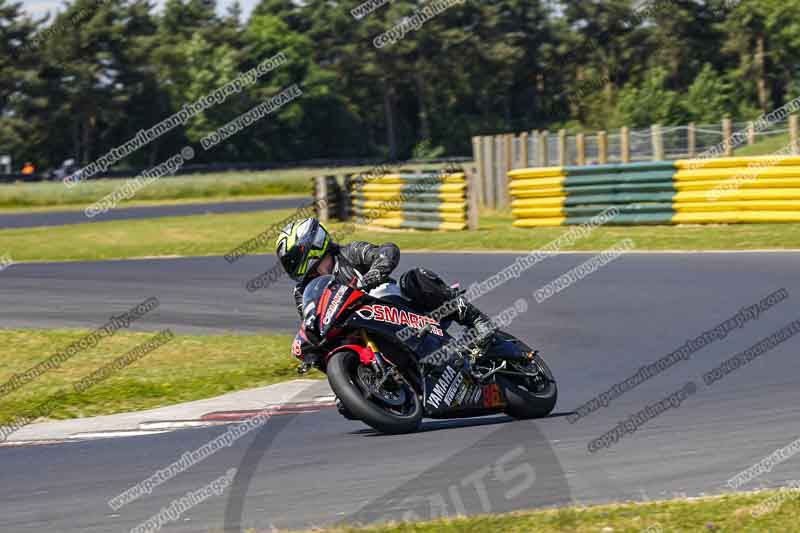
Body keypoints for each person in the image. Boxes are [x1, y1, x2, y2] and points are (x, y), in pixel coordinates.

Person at [275, 217, 496, 371]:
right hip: (355, 330)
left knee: (415, 278)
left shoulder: (349, 253)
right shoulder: (302, 291)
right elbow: (311, 323)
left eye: (294, 259)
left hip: (392, 305)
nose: (292, 266)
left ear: (311, 246)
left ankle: (477, 320)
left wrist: (374, 274)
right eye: (288, 263)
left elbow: (387, 251)